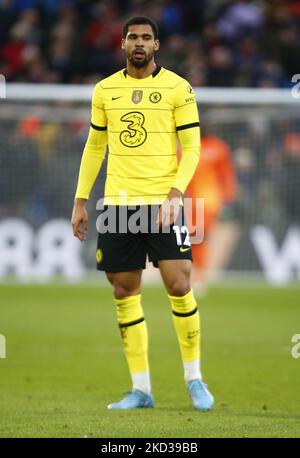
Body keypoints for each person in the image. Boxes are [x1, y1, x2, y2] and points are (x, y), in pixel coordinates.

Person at [71, 16, 214, 411]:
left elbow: (194, 148)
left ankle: (194, 379)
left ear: (156, 45)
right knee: (123, 290)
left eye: (146, 38)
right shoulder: (105, 90)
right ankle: (141, 389)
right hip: (118, 204)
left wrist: (174, 194)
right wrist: (80, 200)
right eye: (132, 37)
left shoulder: (178, 88)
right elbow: (95, 147)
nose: (139, 43)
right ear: (122, 44)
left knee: (180, 283)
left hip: (162, 204)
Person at [185, 129, 237, 290]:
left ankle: (199, 276)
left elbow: (226, 175)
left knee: (198, 238)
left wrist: (228, 198)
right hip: (190, 202)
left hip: (208, 203)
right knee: (192, 238)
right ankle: (195, 276)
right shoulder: (185, 148)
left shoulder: (217, 148)